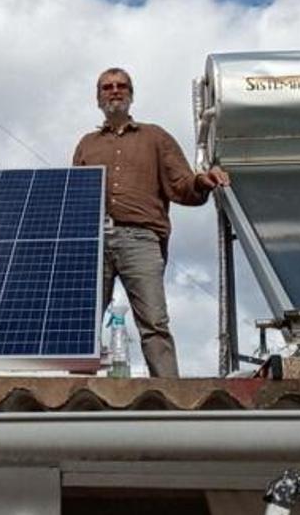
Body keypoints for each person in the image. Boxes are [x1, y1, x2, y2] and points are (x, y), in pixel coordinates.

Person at [72, 67, 229, 378]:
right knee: (81, 324)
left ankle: (170, 395)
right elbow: (73, 200)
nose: (114, 91)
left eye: (121, 86)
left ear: (131, 94)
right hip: (94, 242)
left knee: (154, 323)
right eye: (107, 87)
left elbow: (182, 185)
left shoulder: (154, 137)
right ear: (98, 97)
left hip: (140, 239)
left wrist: (203, 180)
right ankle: (75, 396)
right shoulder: (87, 144)